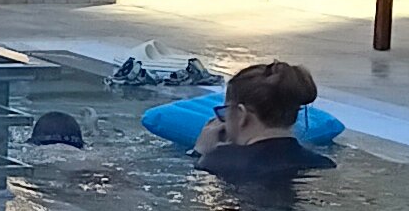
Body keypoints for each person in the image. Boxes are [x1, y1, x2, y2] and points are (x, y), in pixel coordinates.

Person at [142, 59, 342, 174]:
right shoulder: (322, 164)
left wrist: (198, 153)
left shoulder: (217, 162)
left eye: (224, 113)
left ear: (241, 114)